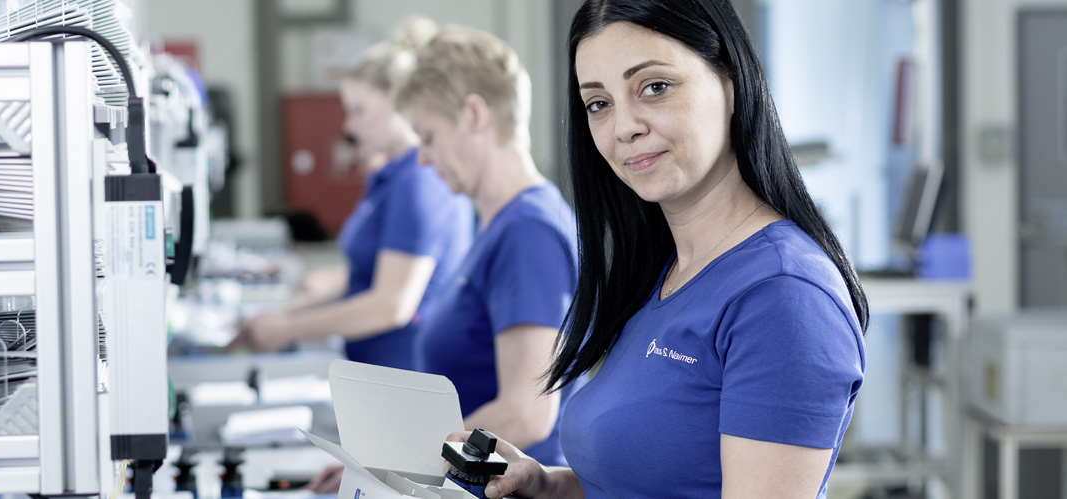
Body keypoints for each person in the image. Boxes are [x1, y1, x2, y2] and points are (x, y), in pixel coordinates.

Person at [453, 1, 870, 498]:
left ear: (731, 83)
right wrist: (548, 487)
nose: (624, 126)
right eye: (599, 103)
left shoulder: (782, 297)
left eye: (654, 87)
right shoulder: (663, 272)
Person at [232, 18, 474, 372]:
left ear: (399, 104)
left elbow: (392, 305)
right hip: (373, 367)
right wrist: (295, 305)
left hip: (406, 374)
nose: (348, 126)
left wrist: (286, 329)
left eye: (359, 110)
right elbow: (379, 268)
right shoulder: (388, 177)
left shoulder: (419, 182)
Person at [393, 25, 579, 468]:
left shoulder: (528, 233)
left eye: (428, 137)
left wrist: (397, 459)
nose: (421, 157)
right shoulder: (499, 223)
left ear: (474, 114)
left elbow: (527, 413)